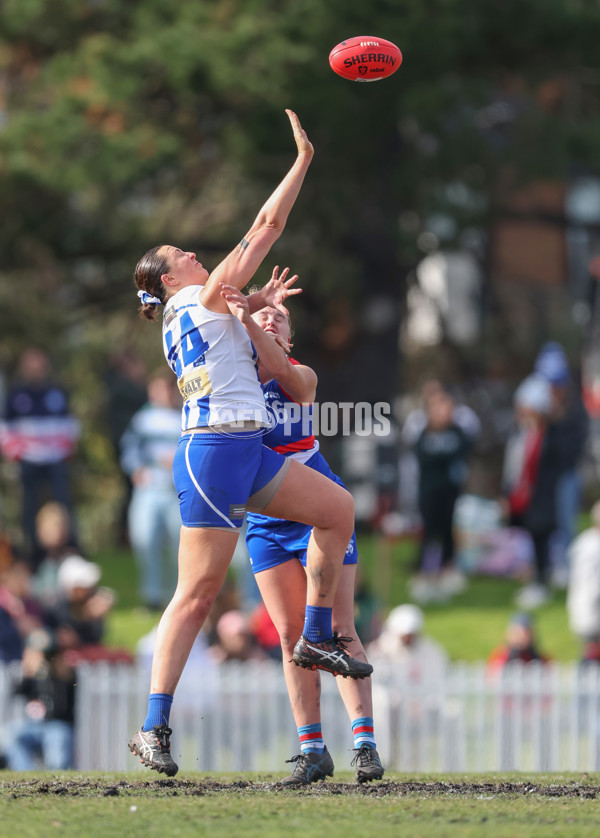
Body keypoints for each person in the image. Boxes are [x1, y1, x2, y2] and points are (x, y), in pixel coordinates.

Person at [127, 110, 372, 778]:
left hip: (244, 451)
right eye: (189, 257)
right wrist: (301, 161)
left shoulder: (194, 305)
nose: (200, 257)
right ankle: (153, 726)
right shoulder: (196, 298)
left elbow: (228, 329)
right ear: (172, 277)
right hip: (211, 453)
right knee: (197, 595)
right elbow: (267, 226)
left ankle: (317, 636)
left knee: (337, 510)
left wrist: (254, 298)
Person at [219, 274, 383, 783]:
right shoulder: (233, 378)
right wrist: (249, 307)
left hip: (318, 508)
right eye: (267, 316)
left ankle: (365, 745)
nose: (271, 319)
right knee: (294, 639)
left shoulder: (300, 374)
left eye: (280, 320)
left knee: (338, 628)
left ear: (288, 340)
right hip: (266, 519)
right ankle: (313, 750)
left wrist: (250, 315)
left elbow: (286, 378)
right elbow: (217, 311)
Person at [0, 348, 80, 565]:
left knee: (63, 504)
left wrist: (65, 449)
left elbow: (70, 424)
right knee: (29, 508)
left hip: (56, 459)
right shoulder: (16, 393)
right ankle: (33, 553)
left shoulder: (57, 391)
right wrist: (16, 453)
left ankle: (70, 550)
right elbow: (6, 427)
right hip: (28, 460)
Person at [120, 370, 182, 610]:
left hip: (177, 492)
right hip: (149, 491)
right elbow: (129, 448)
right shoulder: (142, 419)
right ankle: (152, 598)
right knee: (146, 543)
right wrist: (136, 469)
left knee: (180, 548)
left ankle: (176, 598)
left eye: (168, 389)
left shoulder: (186, 416)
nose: (164, 394)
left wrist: (177, 462)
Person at [408, 388, 473, 604]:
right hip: (428, 491)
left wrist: (442, 457)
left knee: (448, 529)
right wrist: (442, 457)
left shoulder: (456, 432)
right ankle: (425, 573)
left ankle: (448, 569)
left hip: (450, 490)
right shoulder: (424, 433)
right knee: (428, 531)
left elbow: (464, 449)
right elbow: (424, 457)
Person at [533, 342, 589, 588]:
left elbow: (571, 450)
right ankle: (550, 566)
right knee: (545, 523)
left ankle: (568, 568)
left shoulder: (575, 409)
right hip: (546, 478)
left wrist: (556, 422)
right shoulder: (541, 405)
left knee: (567, 523)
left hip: (566, 475)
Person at [5, 627, 76, 770]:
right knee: (10, 735)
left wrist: (51, 672)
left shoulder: (63, 674)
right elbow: (15, 694)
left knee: (58, 739)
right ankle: (25, 776)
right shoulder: (29, 676)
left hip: (57, 724)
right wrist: (28, 672)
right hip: (32, 726)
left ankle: (57, 778)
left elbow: (63, 704)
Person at [367, 604, 448, 681]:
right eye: (405, 636)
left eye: (411, 635)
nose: (408, 639)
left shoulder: (432, 653)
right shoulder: (378, 652)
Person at [566, 499, 600, 662]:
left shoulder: (584, 542)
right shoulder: (591, 547)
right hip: (591, 614)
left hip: (585, 611)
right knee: (591, 661)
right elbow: (591, 586)